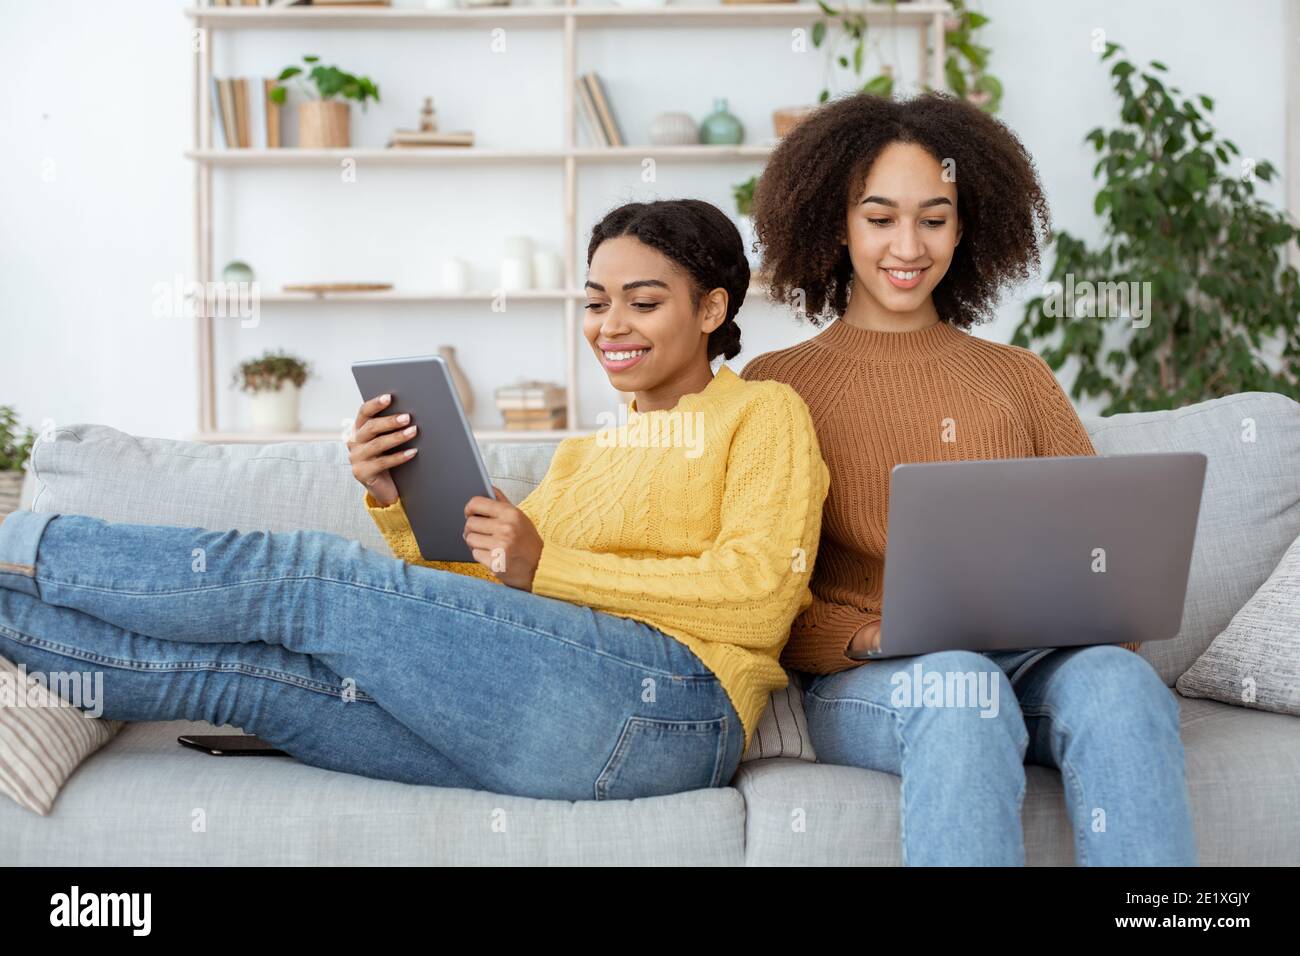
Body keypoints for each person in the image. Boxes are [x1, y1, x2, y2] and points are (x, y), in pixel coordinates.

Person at [0, 199, 829, 801]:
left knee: (307, 576)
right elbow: (475, 611)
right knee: (247, 679)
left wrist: (547, 562)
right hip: (543, 720)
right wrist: (397, 501)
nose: (612, 323)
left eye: (644, 302)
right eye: (596, 301)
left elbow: (761, 599)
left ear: (712, 308)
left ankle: (21, 541)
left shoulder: (761, 412)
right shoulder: (587, 456)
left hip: (671, 714)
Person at [740, 92, 1195, 865]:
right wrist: (867, 632)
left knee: (1120, 682)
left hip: (1030, 660)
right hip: (871, 676)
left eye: (935, 217)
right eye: (879, 218)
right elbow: (764, 583)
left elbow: (1101, 556)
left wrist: (1098, 613)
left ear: (967, 225)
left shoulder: (1018, 377)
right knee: (958, 685)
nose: (907, 245)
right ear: (835, 224)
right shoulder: (778, 385)